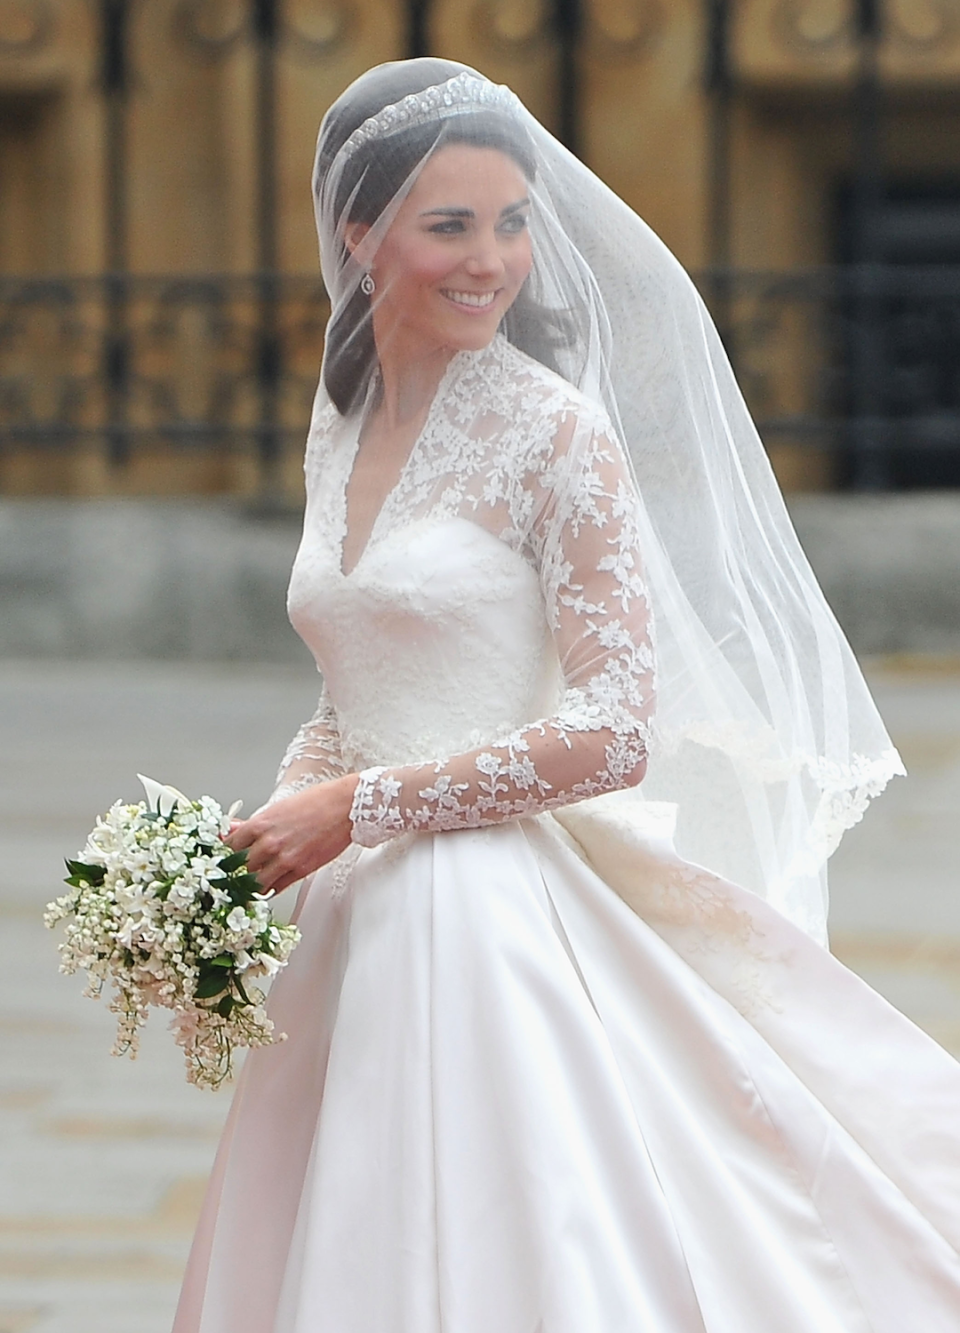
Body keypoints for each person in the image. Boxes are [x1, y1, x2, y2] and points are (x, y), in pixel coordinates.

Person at [173, 59, 960, 1332]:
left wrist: (355, 808)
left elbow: (612, 730)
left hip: (489, 917)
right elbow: (351, 685)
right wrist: (266, 831)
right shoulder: (343, 416)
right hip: (348, 912)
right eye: (451, 225)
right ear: (360, 236)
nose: (492, 259)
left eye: (513, 221)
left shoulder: (556, 435)